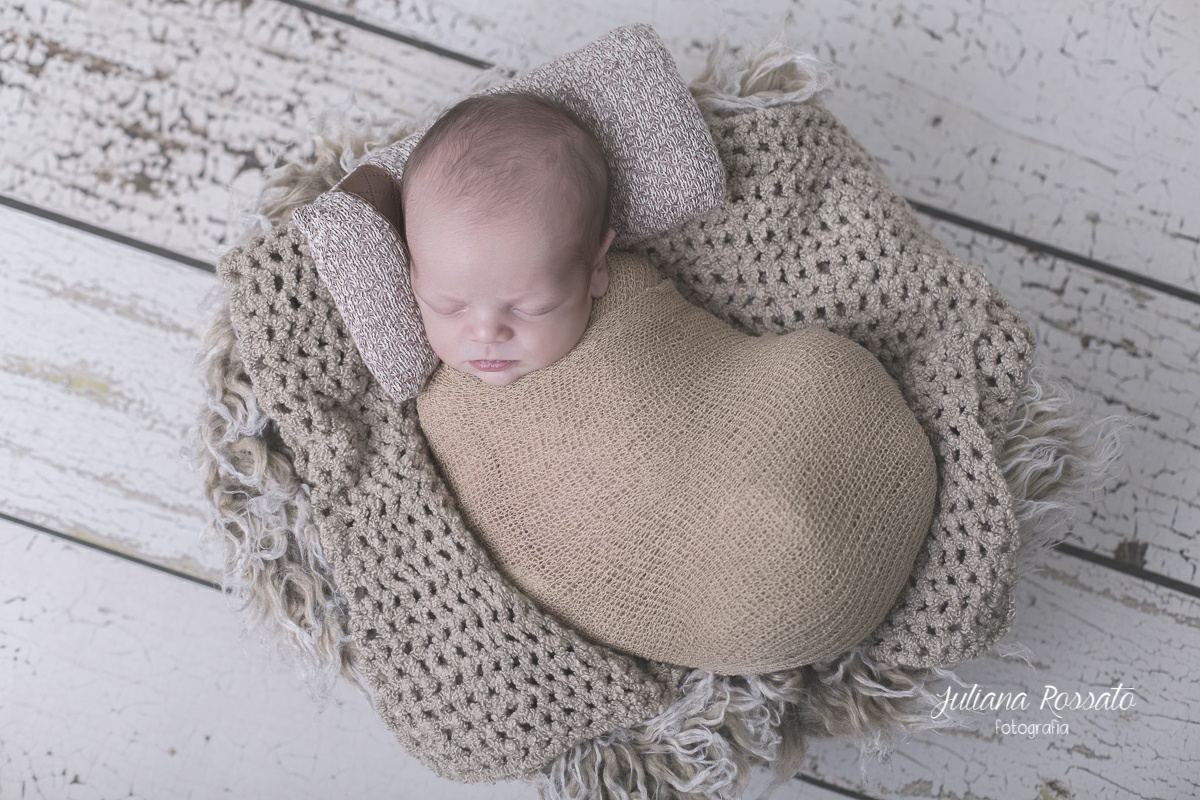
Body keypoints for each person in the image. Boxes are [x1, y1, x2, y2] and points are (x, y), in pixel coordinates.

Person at [400, 91, 617, 387]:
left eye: (530, 309)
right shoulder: (430, 387)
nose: (486, 333)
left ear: (597, 267)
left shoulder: (634, 318)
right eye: (447, 307)